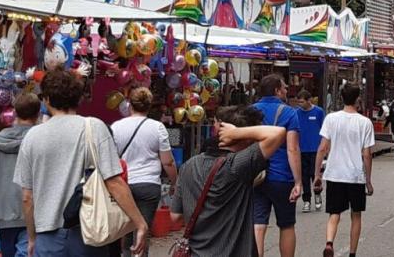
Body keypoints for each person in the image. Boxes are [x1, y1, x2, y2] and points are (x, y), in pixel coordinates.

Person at [13, 70, 148, 256]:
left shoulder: (32, 137)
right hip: (88, 233)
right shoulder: (93, 127)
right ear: (78, 98)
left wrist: (32, 238)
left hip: (47, 238)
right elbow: (114, 182)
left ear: (47, 100)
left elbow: (27, 197)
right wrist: (140, 223)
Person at [171, 105, 285, 256]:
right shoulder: (237, 165)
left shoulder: (188, 166)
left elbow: (175, 216)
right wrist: (237, 132)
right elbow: (278, 133)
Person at [111, 87, 178, 257]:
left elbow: (110, 160)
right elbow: (168, 161)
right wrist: (175, 182)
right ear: (149, 106)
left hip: (122, 184)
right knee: (143, 230)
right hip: (149, 184)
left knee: (125, 232)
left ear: (129, 105)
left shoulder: (116, 127)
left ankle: (126, 254)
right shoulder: (157, 127)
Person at [313, 83, 374, 257]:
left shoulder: (331, 119)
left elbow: (322, 148)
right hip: (355, 176)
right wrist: (368, 180)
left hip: (335, 174)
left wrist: (317, 174)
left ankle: (329, 242)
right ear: (358, 100)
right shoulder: (365, 123)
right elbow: (367, 155)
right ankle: (352, 253)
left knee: (334, 213)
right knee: (356, 215)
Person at [252, 74, 302, 257]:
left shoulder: (250, 111)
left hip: (255, 175)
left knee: (257, 224)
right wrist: (298, 181)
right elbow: (292, 149)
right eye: (285, 87)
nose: (287, 90)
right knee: (286, 224)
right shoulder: (289, 113)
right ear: (276, 90)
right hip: (282, 176)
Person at [0, 93, 40, 257]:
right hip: (34, 210)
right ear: (37, 114)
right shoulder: (40, 140)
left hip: (3, 212)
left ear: (15, 113)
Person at [296, 89, 325, 213]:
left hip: (315, 150)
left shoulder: (318, 112)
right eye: (299, 102)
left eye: (302, 102)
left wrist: (324, 147)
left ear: (309, 101)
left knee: (315, 175)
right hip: (301, 149)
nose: (300, 104)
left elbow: (324, 130)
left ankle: (317, 195)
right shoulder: (296, 113)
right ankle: (306, 200)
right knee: (304, 176)